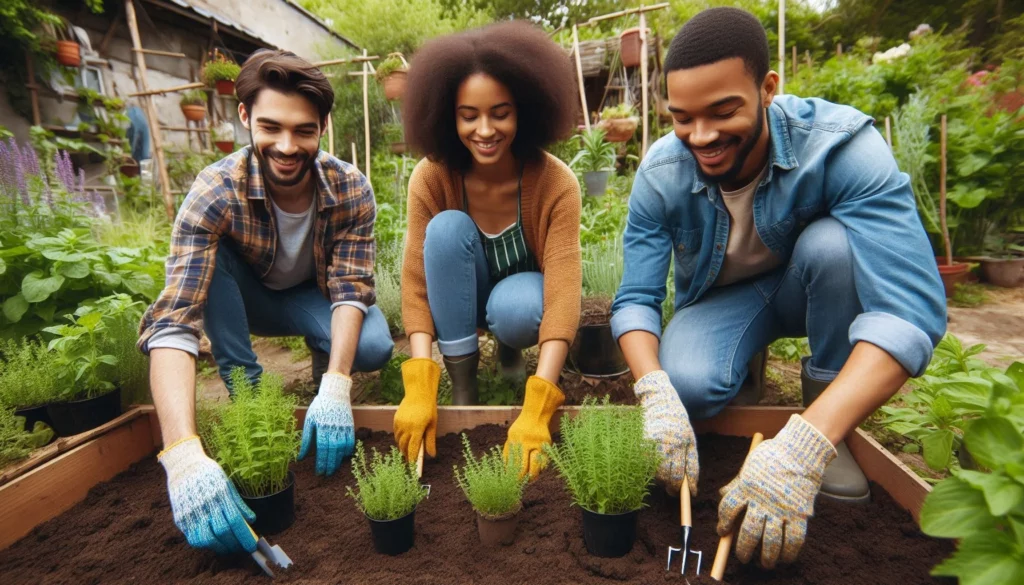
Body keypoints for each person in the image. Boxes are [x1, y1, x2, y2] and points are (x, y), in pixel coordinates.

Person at [611, 7, 946, 568]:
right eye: (682, 118)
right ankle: (735, 373)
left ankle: (830, 424)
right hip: (724, 298)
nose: (702, 136)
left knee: (834, 248)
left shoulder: (842, 147)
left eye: (723, 112)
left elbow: (909, 314)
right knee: (689, 388)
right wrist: (654, 392)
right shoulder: (661, 173)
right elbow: (635, 300)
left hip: (814, 281)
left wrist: (804, 443)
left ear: (768, 88)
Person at [137, 50, 393, 554]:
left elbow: (350, 288)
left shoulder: (351, 189)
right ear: (245, 116)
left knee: (374, 347)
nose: (286, 145)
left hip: (311, 295)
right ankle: (248, 398)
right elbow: (174, 321)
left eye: (304, 131)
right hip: (244, 296)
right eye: (271, 126)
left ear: (323, 127)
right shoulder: (216, 191)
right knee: (211, 270)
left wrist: (338, 385)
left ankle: (325, 379)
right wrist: (183, 452)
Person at [394, 21, 582, 478]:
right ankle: (464, 393)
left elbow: (562, 290)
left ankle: (512, 356)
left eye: (500, 113)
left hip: (518, 298)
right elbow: (417, 281)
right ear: (447, 116)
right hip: (462, 295)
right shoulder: (433, 177)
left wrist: (540, 405)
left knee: (515, 310)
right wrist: (419, 383)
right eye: (468, 115)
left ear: (525, 111)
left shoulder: (555, 183)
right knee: (445, 230)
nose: (484, 130)